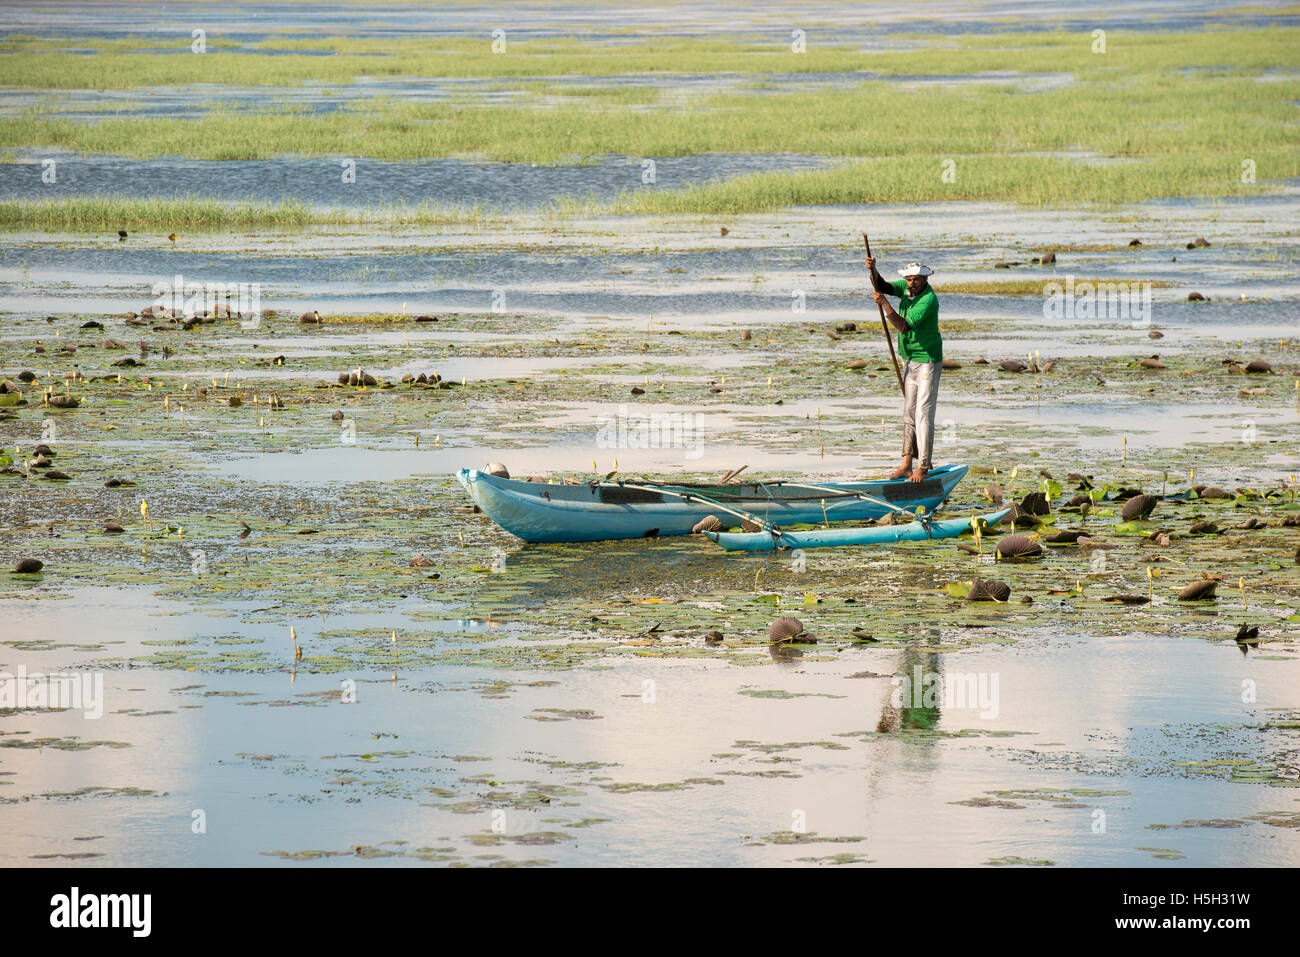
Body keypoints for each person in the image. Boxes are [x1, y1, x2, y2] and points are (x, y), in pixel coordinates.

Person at [865, 256, 943, 482]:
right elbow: (882, 286)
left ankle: (924, 466)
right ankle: (906, 464)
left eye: (916, 279)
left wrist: (885, 304)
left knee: (923, 414)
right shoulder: (906, 289)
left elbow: (902, 326)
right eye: (909, 279)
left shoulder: (928, 300)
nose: (911, 284)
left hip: (928, 360)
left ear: (925, 279)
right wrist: (874, 269)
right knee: (908, 412)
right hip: (909, 360)